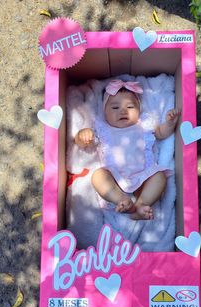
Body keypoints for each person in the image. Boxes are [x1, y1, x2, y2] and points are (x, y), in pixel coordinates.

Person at [74, 79, 180, 220]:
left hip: (144, 174)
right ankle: (121, 200)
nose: (123, 111)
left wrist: (169, 124)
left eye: (130, 107)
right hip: (115, 175)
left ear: (139, 109)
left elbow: (161, 133)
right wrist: (82, 136)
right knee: (98, 176)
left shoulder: (144, 124)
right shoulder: (103, 129)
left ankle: (141, 205)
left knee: (160, 177)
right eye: (115, 108)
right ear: (105, 112)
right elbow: (82, 144)